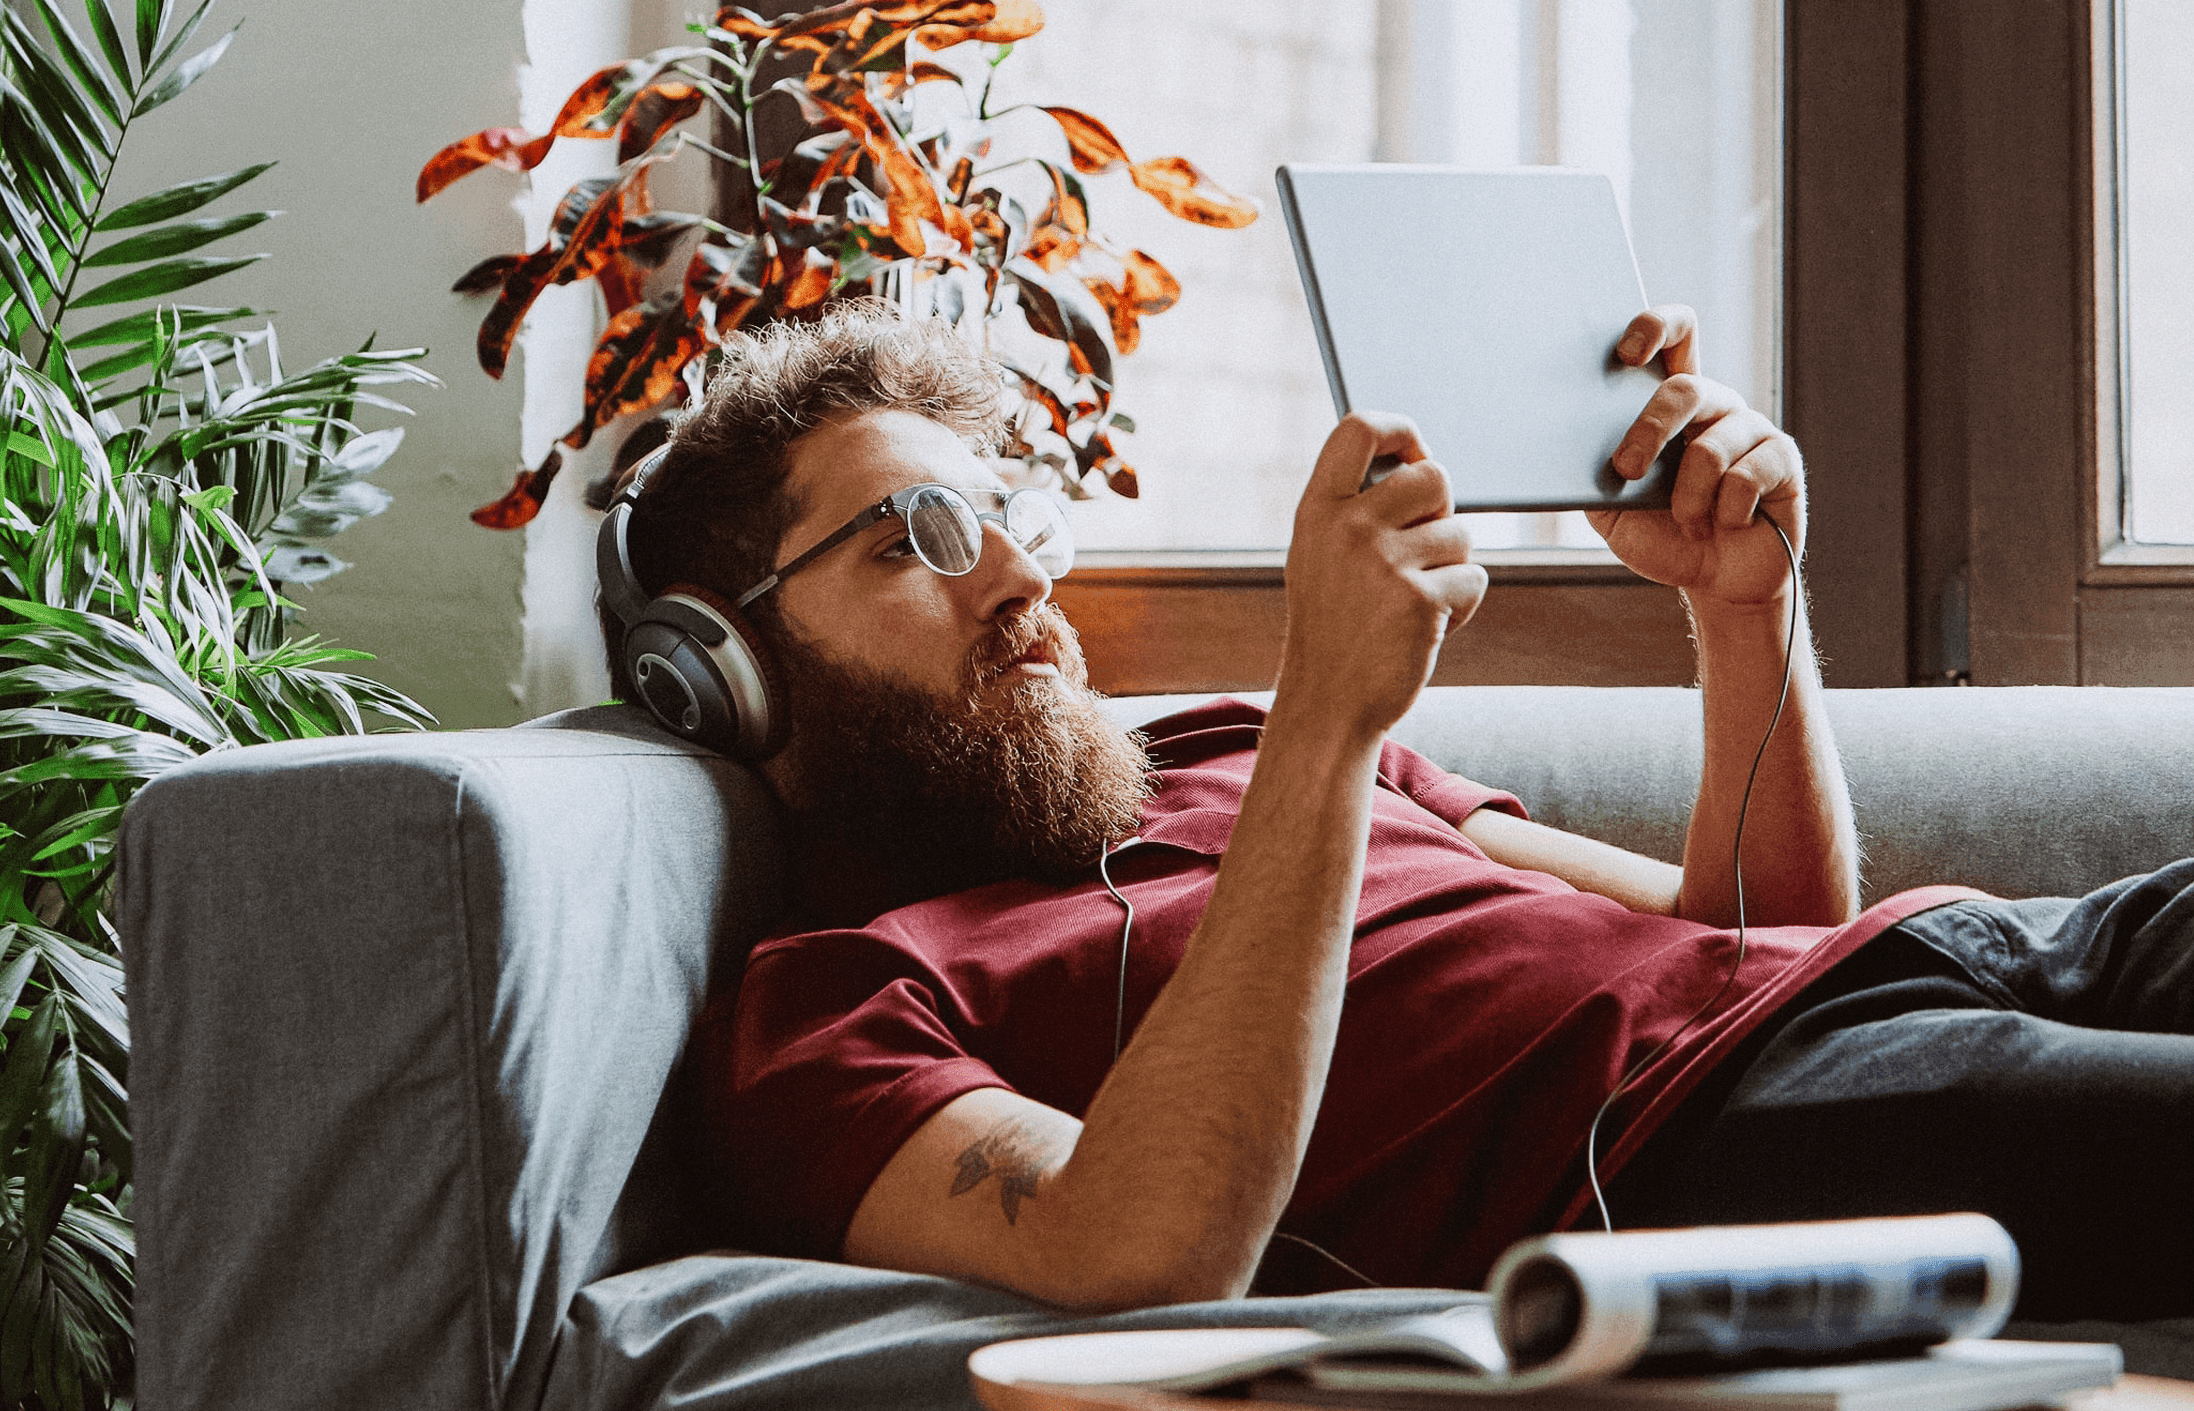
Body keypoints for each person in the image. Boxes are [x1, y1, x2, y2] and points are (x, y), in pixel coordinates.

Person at [604, 299, 2192, 1323]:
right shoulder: (827, 1007)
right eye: (911, 542)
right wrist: (1325, 720)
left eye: (1003, 521)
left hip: (1970, 956)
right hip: (1720, 1136)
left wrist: (1740, 606)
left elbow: (1753, 935)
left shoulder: (1220, 748)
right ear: (730, 666)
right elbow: (1132, 1247)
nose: (1019, 576)